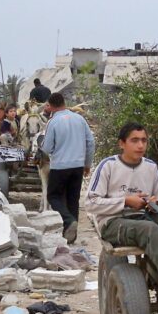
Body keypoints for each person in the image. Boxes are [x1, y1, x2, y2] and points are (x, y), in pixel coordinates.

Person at [85, 122, 158, 293]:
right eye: (134, 140)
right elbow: (90, 203)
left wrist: (156, 204)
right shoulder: (108, 166)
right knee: (149, 229)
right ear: (122, 144)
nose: (140, 145)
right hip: (114, 221)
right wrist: (125, 201)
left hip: (144, 216)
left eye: (144, 140)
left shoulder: (151, 167)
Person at [40, 92, 94, 243]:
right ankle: (71, 236)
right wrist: (87, 164)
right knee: (72, 199)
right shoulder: (80, 119)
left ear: (50, 106)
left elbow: (47, 148)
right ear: (64, 103)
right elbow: (90, 142)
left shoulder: (53, 122)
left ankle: (69, 221)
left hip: (60, 166)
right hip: (78, 166)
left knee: (53, 196)